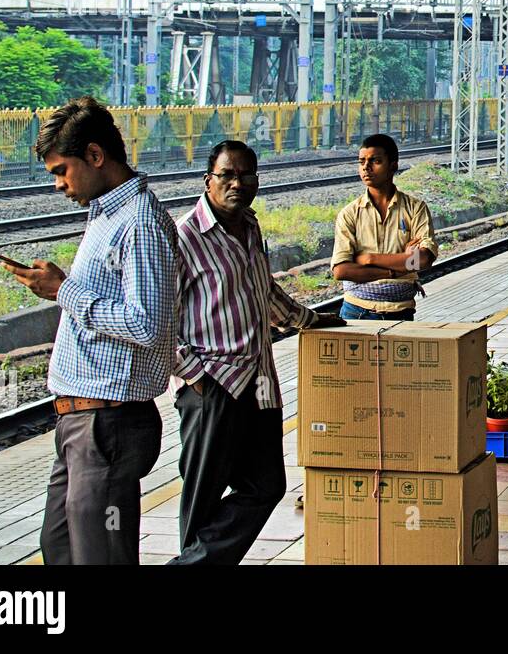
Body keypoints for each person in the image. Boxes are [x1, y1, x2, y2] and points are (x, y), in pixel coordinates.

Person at [0, 97, 177, 565]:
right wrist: (62, 287)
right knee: (60, 548)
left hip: (108, 424)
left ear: (96, 156)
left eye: (62, 170)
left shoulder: (139, 222)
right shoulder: (106, 213)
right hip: (80, 422)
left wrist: (64, 291)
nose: (59, 184)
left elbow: (148, 324)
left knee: (100, 556)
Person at [172, 140, 340, 565]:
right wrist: (195, 375)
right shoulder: (184, 237)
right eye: (227, 175)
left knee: (266, 484)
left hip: (260, 382)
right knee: (203, 498)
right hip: (213, 386)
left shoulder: (250, 226)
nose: (237, 183)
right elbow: (160, 322)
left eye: (247, 175)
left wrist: (308, 319)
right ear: (208, 180)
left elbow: (262, 291)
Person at [331, 133, 438, 321]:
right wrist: (398, 267)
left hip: (401, 313)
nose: (366, 167)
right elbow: (342, 271)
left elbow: (422, 260)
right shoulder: (349, 214)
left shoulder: (415, 208)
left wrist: (369, 259)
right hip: (356, 311)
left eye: (375, 161)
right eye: (362, 161)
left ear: (393, 166)